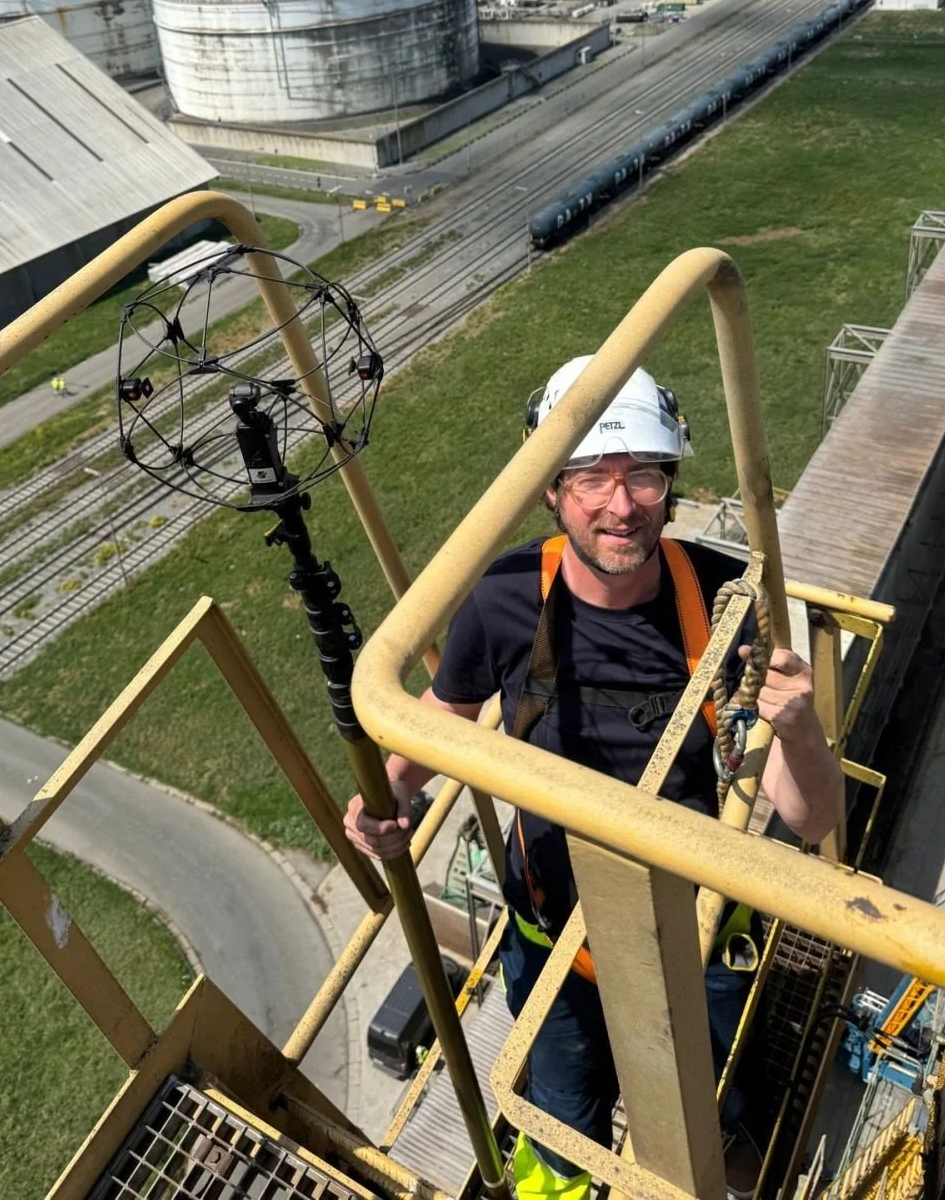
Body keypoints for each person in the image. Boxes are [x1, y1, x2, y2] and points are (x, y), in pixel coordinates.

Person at [344, 360, 844, 1199]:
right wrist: (393, 794)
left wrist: (797, 729)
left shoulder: (723, 596)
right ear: (550, 490)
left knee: (707, 1110)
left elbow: (813, 814)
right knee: (563, 1125)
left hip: (697, 938)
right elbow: (444, 713)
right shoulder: (505, 599)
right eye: (590, 479)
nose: (621, 505)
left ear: (670, 481)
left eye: (643, 475)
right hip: (556, 947)